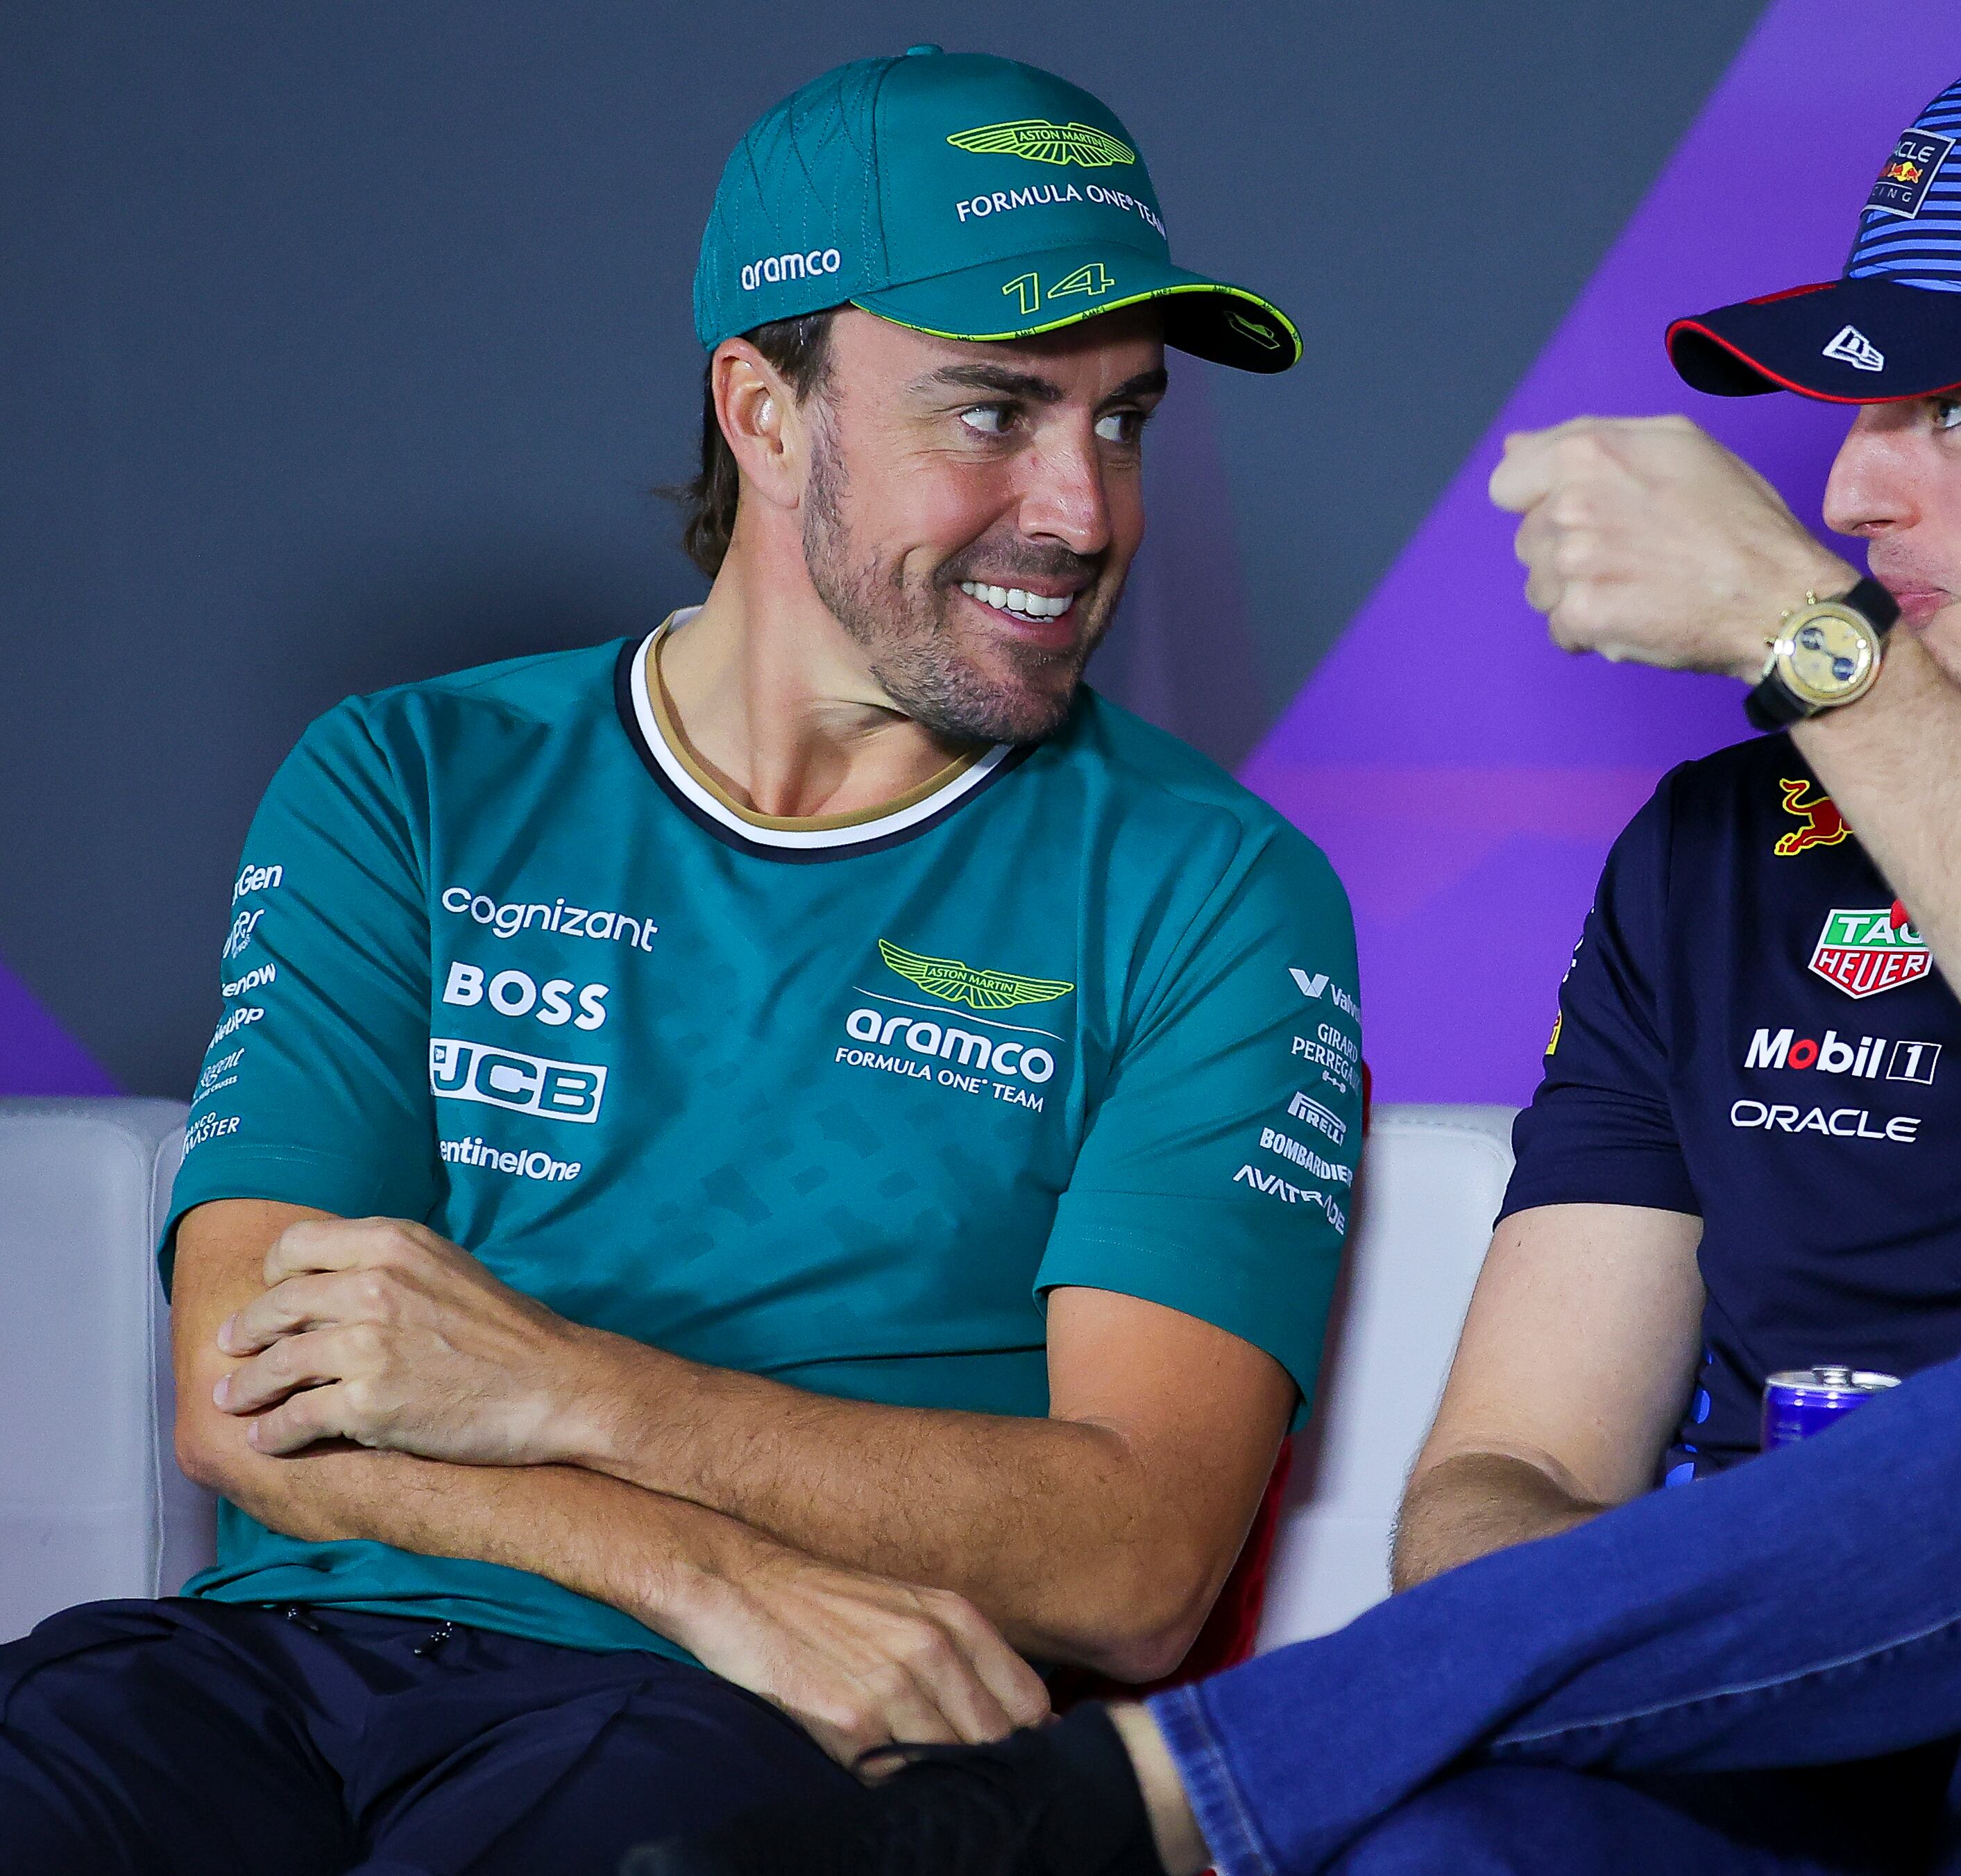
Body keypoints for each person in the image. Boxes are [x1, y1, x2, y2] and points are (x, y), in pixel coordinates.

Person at [638, 35, 1961, 1876]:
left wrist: (1826, 664)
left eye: (1956, 409)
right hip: (1787, 1781)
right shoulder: (1728, 851)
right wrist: (1737, 1654)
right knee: (1454, 1846)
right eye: (1855, 407)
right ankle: (1223, 1804)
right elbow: (1507, 1472)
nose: (1857, 482)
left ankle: (1154, 1804)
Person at [0, 44, 1362, 1876]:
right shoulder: (409, 778)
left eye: (1122, 419)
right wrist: (705, 1564)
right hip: (266, 1673)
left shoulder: (1212, 888)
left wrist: (557, 1386)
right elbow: (246, 1390)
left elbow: (1132, 1566)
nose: (1086, 508)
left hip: (744, 1738)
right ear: (765, 408)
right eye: (995, 410)